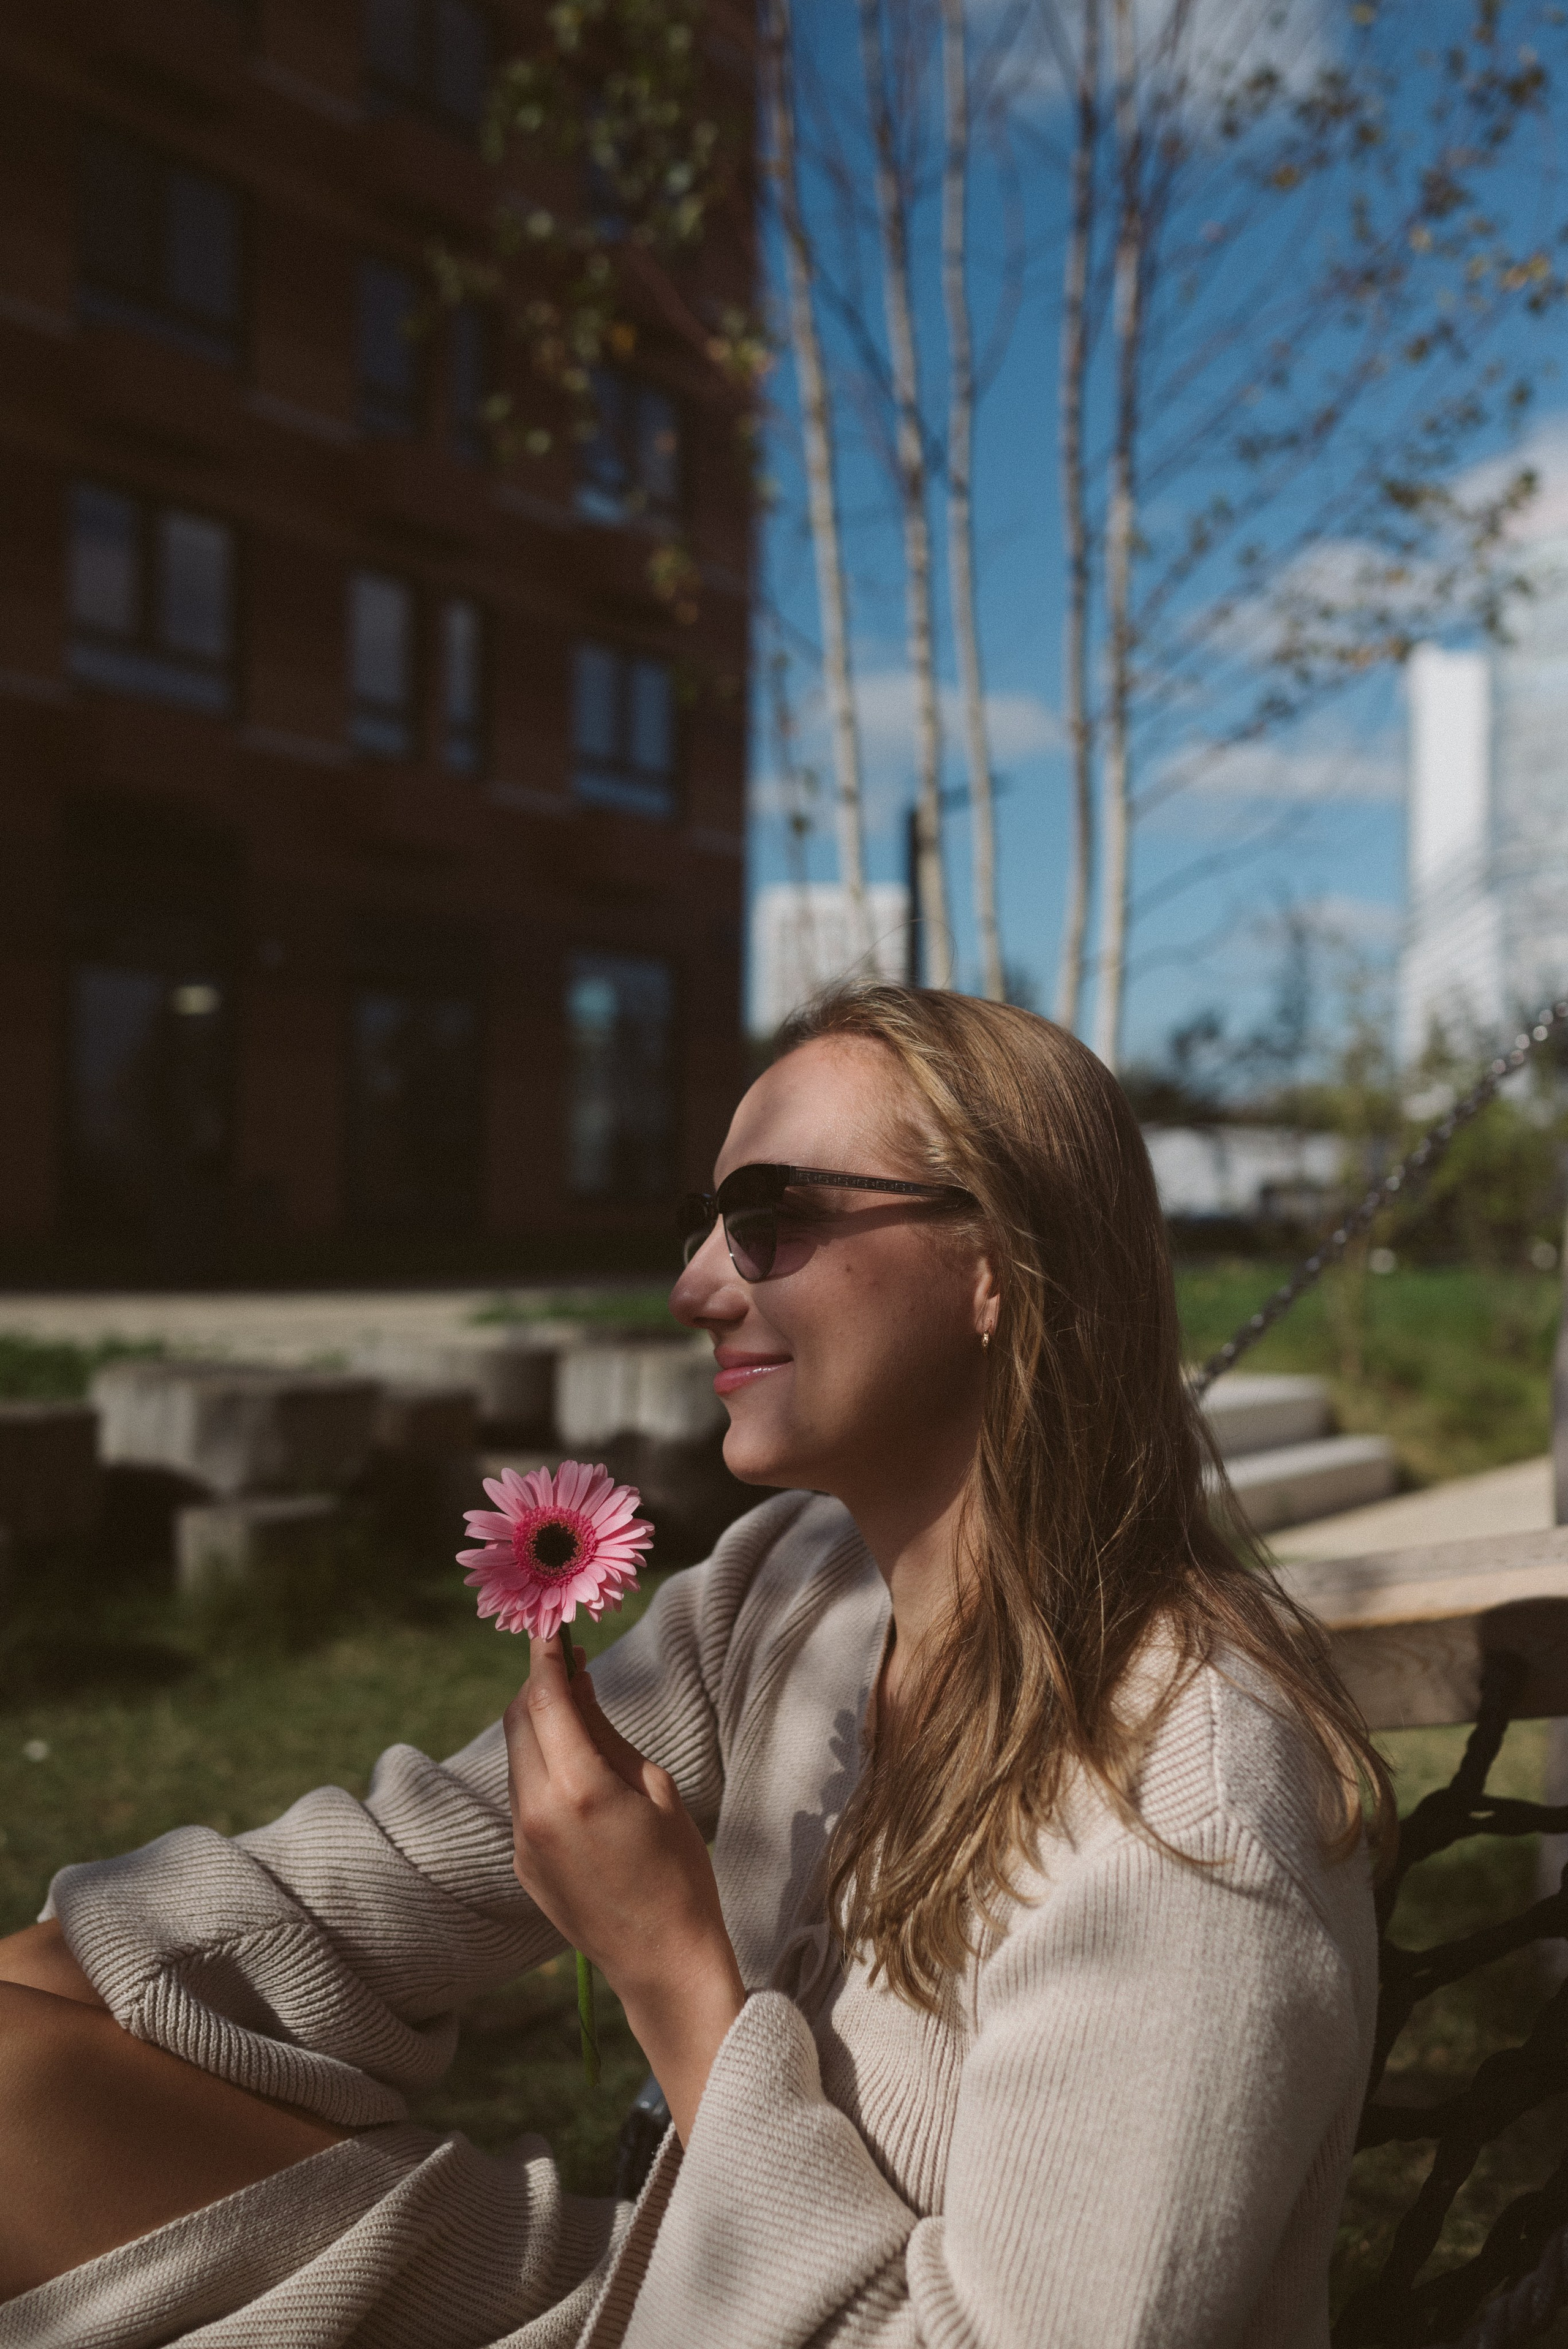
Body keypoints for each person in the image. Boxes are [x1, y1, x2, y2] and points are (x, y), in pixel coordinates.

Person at [0, 984, 1385, 2347]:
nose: (693, 1288)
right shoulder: (791, 1586)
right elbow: (384, 1883)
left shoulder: (1186, 1804)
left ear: (998, 1266)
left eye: (767, 1221)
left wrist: (668, 1970)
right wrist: (72, 1959)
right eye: (703, 1226)